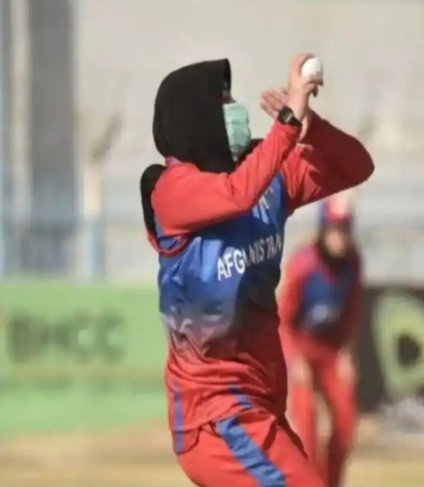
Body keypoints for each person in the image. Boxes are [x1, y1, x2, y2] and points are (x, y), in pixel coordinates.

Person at [139, 53, 373, 487]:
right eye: (222, 98)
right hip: (215, 418)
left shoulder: (265, 174)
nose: (235, 108)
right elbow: (236, 195)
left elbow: (357, 166)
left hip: (260, 408)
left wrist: (312, 129)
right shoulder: (171, 190)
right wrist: (285, 125)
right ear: (194, 116)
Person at [278, 194, 363, 487]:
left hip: (330, 350)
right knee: (307, 422)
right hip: (301, 347)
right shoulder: (303, 265)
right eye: (334, 230)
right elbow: (282, 319)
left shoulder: (353, 264)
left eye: (344, 231)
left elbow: (351, 313)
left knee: (345, 423)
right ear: (323, 230)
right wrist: (293, 361)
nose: (339, 239)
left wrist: (345, 353)